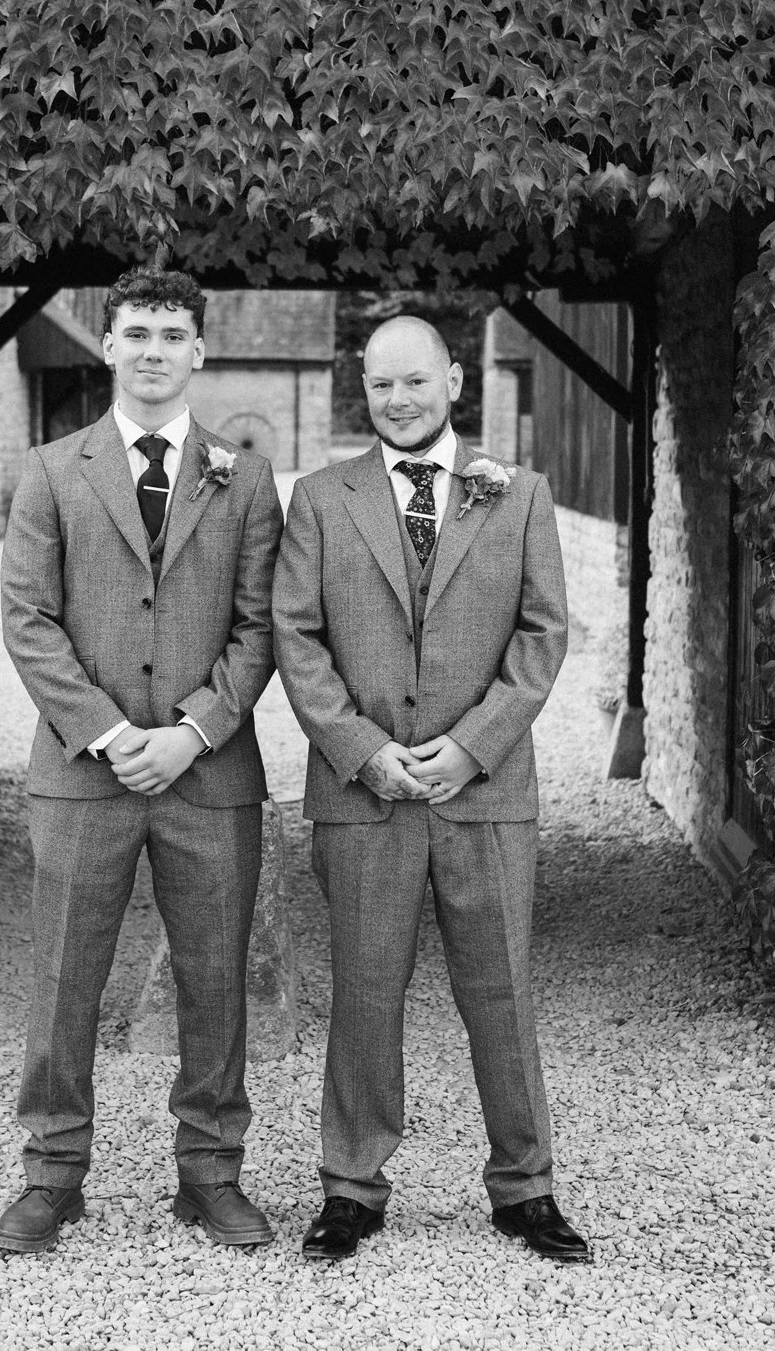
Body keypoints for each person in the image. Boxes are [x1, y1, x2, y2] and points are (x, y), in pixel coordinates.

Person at [271, 314, 586, 1263]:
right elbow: (297, 638)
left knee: (501, 990)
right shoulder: (320, 499)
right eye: (381, 385)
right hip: (364, 794)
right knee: (364, 989)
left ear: (453, 379)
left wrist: (473, 746)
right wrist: (363, 749)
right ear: (362, 389)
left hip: (484, 792)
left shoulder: (520, 495)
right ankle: (351, 1187)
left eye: (415, 381)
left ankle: (525, 1186)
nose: (398, 400)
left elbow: (543, 634)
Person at [0, 269, 284, 1254]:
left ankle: (210, 1172)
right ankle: (51, 1173)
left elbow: (260, 627)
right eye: (138, 332)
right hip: (84, 772)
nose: (154, 349)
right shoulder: (51, 469)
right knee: (64, 974)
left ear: (199, 350)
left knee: (215, 977)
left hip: (209, 773)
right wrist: (115, 735)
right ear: (109, 344)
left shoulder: (246, 480)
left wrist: (192, 730)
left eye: (172, 333)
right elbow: (28, 621)